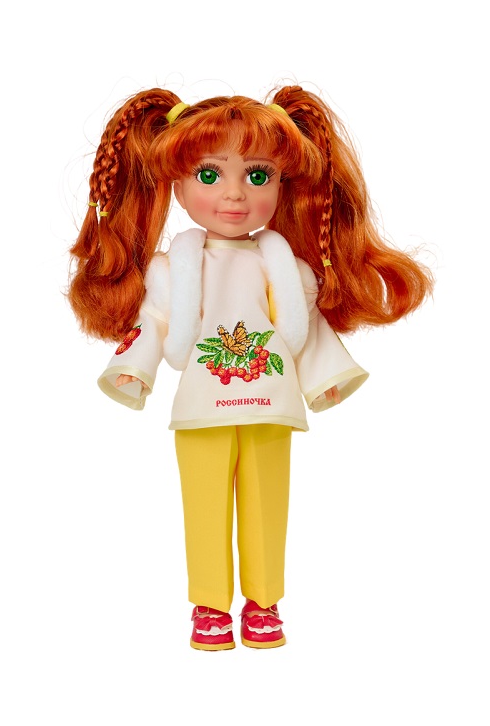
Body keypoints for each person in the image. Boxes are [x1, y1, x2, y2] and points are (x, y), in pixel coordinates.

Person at [67, 85, 433, 650]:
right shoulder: (172, 270)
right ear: (178, 185)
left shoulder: (286, 269)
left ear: (282, 184)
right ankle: (211, 605)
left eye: (258, 175)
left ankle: (264, 602)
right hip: (200, 405)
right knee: (204, 504)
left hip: (270, 403)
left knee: (267, 502)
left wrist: (325, 379)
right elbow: (156, 323)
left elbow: (302, 329)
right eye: (210, 175)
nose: (235, 194)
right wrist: (135, 369)